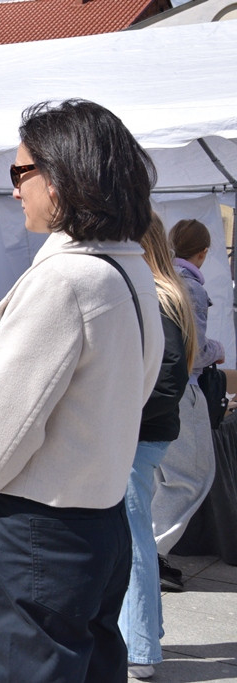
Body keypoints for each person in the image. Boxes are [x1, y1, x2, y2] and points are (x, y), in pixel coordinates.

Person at [0, 99, 163, 682]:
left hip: (42, 533)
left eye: (20, 173)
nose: (13, 190)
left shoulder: (65, 278)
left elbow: (3, 421)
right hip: (99, 523)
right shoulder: (129, 270)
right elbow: (139, 386)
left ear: (63, 176)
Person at [119, 213, 195, 680]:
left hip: (138, 434)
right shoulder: (168, 294)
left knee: (133, 539)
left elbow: (167, 379)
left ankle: (142, 650)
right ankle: (147, 636)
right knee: (135, 534)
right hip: (146, 431)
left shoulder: (159, 297)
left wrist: (122, 418)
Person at [150, 218, 225, 592]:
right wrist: (220, 350)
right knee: (193, 477)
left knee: (159, 476)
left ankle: (147, 554)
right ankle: (150, 553)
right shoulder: (189, 286)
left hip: (153, 389)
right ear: (204, 252)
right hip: (182, 391)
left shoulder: (157, 277)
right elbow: (192, 353)